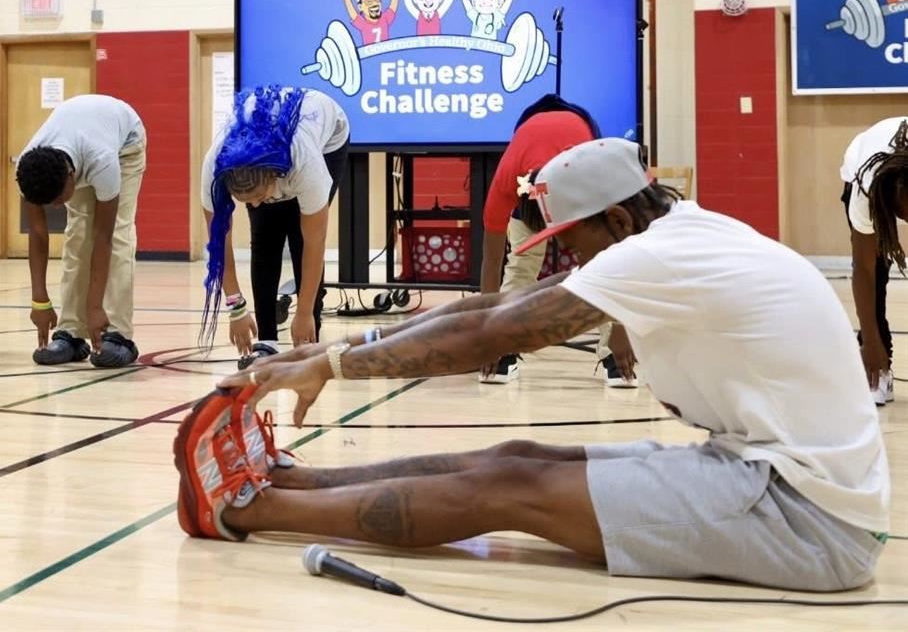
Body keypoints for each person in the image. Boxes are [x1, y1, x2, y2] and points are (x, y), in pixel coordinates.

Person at [174, 138, 889, 593]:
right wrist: (326, 351)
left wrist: (333, 367)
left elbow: (489, 335)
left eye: (569, 237)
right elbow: (481, 308)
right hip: (772, 475)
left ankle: (244, 510)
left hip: (808, 521)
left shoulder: (657, 256)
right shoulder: (671, 233)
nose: (564, 254)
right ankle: (294, 481)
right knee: (513, 452)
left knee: (511, 486)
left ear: (613, 219)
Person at [475, 95, 633, 386]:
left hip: (577, 149)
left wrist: (622, 328)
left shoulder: (592, 173)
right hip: (532, 159)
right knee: (521, 264)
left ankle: (612, 352)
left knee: (599, 261)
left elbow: (618, 259)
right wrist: (490, 337)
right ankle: (506, 348)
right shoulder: (506, 182)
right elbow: (491, 262)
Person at [201, 85, 349, 370]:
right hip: (266, 161)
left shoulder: (305, 164)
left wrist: (304, 312)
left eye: (258, 196)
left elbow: (315, 242)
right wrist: (236, 309)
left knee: (299, 236)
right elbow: (219, 247)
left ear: (275, 175)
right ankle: (267, 341)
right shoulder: (215, 168)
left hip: (329, 138)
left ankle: (309, 337)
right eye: (246, 201)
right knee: (264, 235)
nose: (254, 204)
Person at [15, 94, 146, 368]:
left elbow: (104, 236)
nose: (54, 206)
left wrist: (95, 306)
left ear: (71, 176)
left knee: (119, 234)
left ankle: (119, 335)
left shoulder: (102, 161)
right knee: (77, 235)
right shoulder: (29, 168)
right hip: (80, 140)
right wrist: (39, 301)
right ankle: (72, 334)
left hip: (126, 145)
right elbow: (38, 236)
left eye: (59, 200)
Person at [842, 115, 908, 406]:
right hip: (862, 169)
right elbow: (864, 271)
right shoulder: (867, 191)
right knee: (878, 272)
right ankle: (878, 368)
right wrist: (870, 342)